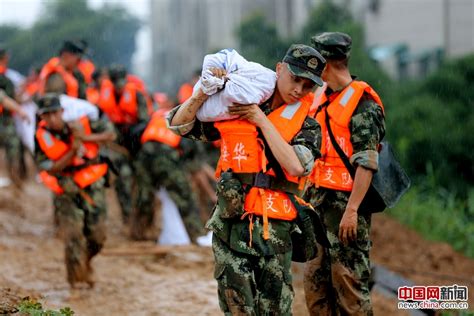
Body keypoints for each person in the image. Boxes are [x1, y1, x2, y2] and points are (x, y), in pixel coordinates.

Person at [169, 44, 326, 314]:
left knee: (274, 310)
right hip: (232, 225)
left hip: (275, 233)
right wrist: (202, 92)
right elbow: (180, 125)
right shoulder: (239, 99)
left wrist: (261, 121)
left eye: (307, 85)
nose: (299, 89)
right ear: (279, 69)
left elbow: (296, 166)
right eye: (295, 79)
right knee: (237, 308)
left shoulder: (307, 125)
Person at [304, 32, 386, 315]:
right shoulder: (319, 98)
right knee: (316, 290)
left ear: (326, 63)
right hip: (317, 207)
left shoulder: (363, 105)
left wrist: (352, 210)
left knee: (349, 289)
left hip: (346, 213)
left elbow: (367, 162)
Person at [34, 94, 116, 288]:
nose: (52, 119)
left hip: (91, 180)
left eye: (55, 113)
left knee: (98, 235)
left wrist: (84, 137)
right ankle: (75, 281)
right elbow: (51, 167)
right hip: (65, 186)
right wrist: (73, 149)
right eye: (47, 115)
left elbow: (110, 135)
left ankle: (86, 262)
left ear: (62, 112)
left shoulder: (82, 123)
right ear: (42, 117)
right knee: (73, 235)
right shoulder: (40, 137)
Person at [131, 102, 204, 241]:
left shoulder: (158, 114)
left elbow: (136, 131)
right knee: (184, 195)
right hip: (166, 156)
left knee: (144, 196)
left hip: (144, 153)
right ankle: (196, 234)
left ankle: (138, 233)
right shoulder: (186, 117)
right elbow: (189, 148)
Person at [97, 64, 151, 224]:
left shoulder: (137, 95)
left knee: (142, 180)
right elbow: (101, 120)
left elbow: (144, 121)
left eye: (121, 81)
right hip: (118, 145)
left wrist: (134, 141)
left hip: (137, 141)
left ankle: (143, 218)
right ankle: (128, 216)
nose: (119, 85)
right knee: (122, 178)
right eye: (115, 81)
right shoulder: (105, 96)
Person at [0, 45, 29, 187]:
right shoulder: (7, 77)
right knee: (13, 149)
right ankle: (15, 181)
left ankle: (15, 182)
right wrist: (21, 109)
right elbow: (7, 99)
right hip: (6, 120)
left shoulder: (8, 76)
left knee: (12, 149)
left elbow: (4, 99)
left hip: (7, 117)